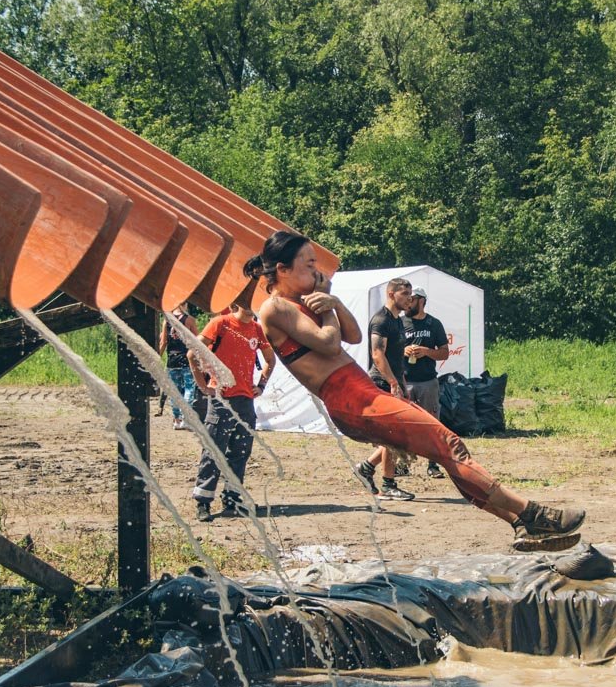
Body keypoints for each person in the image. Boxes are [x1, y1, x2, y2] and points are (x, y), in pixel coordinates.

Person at [243, 231, 586, 552]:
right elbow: (331, 344)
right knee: (450, 446)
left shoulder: (305, 301)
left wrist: (334, 302)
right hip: (352, 399)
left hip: (359, 395)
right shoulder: (276, 308)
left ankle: (520, 524)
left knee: (445, 452)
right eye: (309, 264)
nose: (317, 271)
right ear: (283, 270)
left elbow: (354, 337)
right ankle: (535, 515)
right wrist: (330, 307)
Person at [189, 304, 275, 522]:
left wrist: (261, 385)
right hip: (222, 400)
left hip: (245, 400)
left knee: (240, 451)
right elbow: (193, 353)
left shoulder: (256, 328)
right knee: (214, 450)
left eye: (253, 304)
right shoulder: (221, 323)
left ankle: (232, 498)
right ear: (237, 304)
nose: (251, 308)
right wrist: (203, 385)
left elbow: (270, 359)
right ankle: (203, 501)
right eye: (246, 304)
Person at [353, 277, 416, 500]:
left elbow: (394, 355)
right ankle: (388, 486)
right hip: (382, 382)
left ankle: (366, 468)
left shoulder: (398, 320)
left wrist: (400, 382)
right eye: (405, 294)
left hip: (396, 381)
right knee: (392, 436)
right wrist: (392, 383)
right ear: (391, 294)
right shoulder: (381, 320)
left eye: (410, 294)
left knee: (398, 436)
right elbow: (377, 354)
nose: (410, 299)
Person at [402, 286, 449, 480]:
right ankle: (402, 465)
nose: (406, 302)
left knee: (432, 423)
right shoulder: (400, 323)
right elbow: (387, 350)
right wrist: (403, 351)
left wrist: (427, 351)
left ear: (421, 301)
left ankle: (433, 464)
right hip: (405, 381)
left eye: (410, 299)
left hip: (428, 381)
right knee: (403, 425)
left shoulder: (434, 324)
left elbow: (444, 352)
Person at [157, 301, 198, 430]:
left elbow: (163, 342)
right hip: (186, 359)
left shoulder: (167, 320)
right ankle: (186, 418)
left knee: (175, 391)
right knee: (189, 389)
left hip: (172, 360)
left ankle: (176, 419)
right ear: (186, 304)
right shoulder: (190, 320)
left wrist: (157, 356)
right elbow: (197, 341)